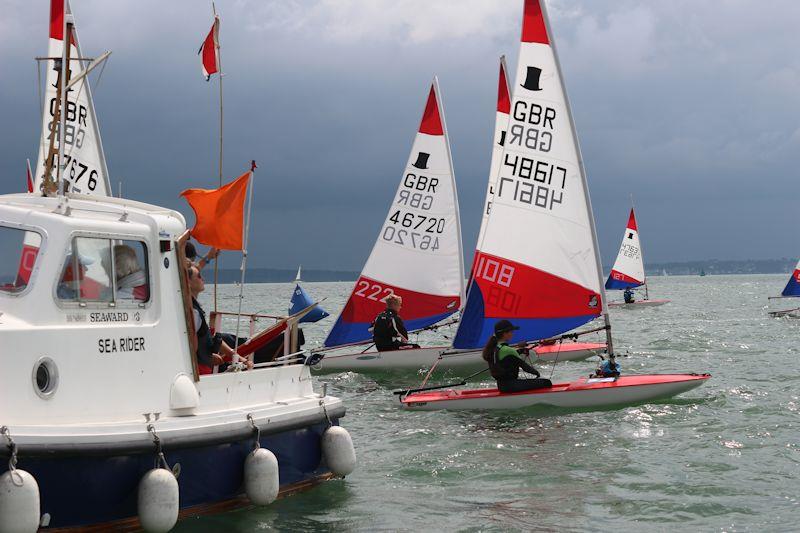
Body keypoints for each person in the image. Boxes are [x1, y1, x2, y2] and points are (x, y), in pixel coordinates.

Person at [187, 264, 251, 374]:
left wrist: (237, 357)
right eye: (199, 276)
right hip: (198, 371)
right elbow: (191, 347)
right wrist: (209, 357)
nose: (203, 279)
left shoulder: (192, 308)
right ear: (188, 282)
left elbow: (207, 337)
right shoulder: (193, 312)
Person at [483, 320, 552, 393]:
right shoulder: (508, 350)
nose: (512, 334)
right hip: (512, 386)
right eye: (511, 332)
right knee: (547, 382)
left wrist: (520, 351)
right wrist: (537, 373)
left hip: (501, 386)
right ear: (505, 334)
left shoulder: (494, 348)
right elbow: (525, 367)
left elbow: (507, 358)